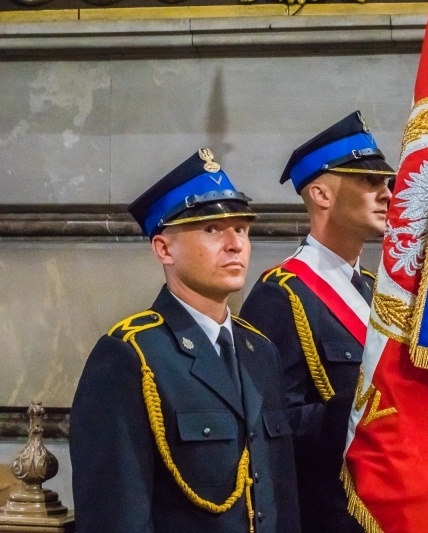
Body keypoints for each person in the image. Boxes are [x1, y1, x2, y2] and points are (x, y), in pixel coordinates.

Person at [239, 111, 428, 533]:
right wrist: (369, 403)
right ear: (321, 194)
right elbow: (273, 429)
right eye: (368, 182)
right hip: (344, 514)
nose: (387, 194)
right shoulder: (281, 295)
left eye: (386, 182)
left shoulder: (379, 292)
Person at [69, 148, 300, 533]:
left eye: (242, 229)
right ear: (164, 248)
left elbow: (280, 498)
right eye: (212, 229)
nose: (235, 244)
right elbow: (116, 515)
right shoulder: (132, 356)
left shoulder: (260, 351)